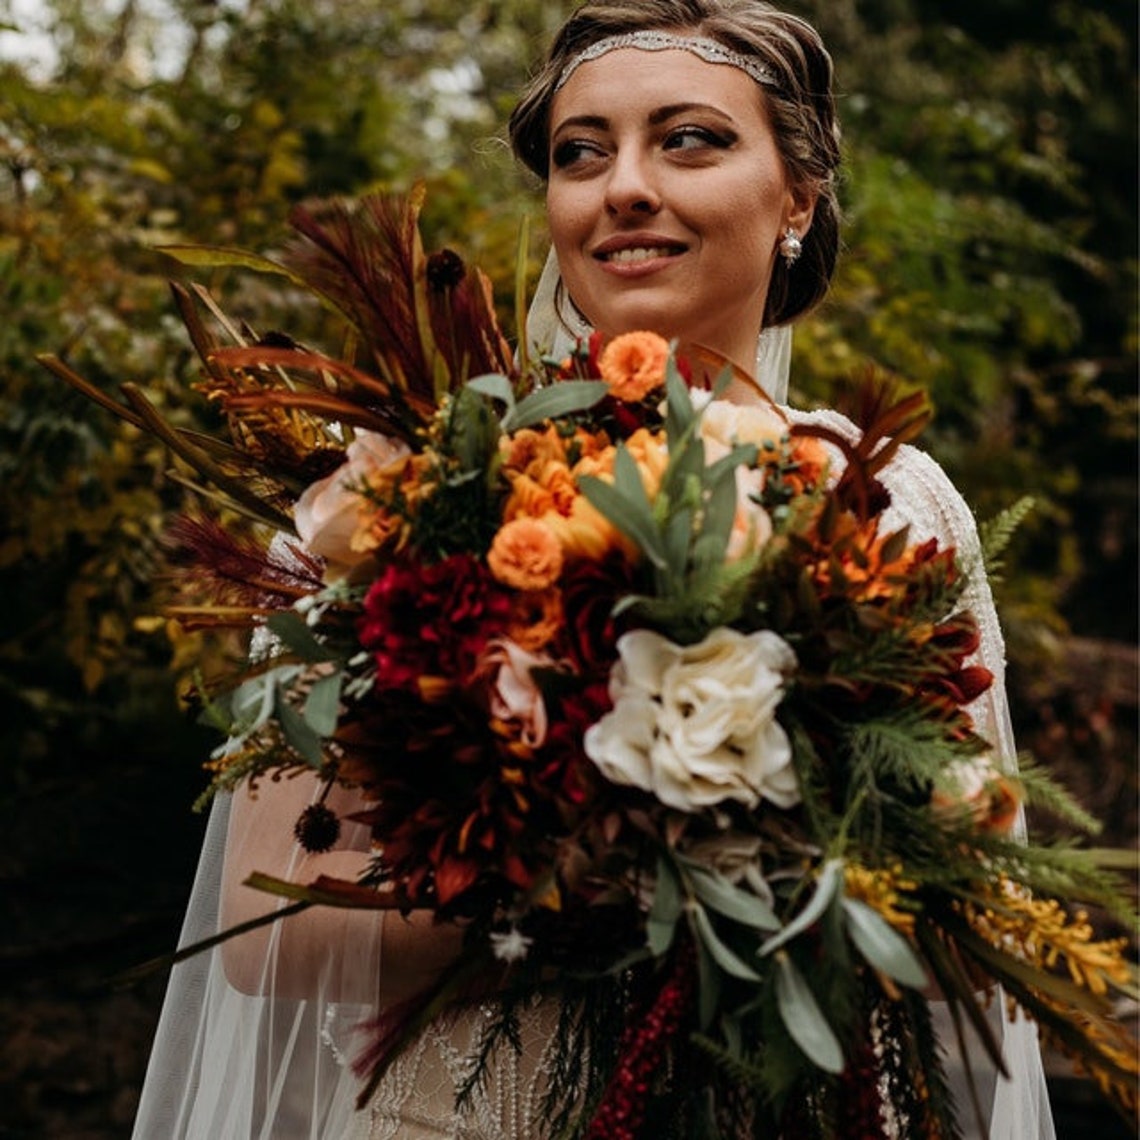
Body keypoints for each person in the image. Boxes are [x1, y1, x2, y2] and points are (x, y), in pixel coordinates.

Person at [131, 2, 1057, 1137]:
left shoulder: (897, 503)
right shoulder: (394, 498)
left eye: (689, 139)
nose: (623, 187)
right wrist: (606, 880)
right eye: (581, 153)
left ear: (800, 198)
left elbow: (972, 919)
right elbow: (265, 926)